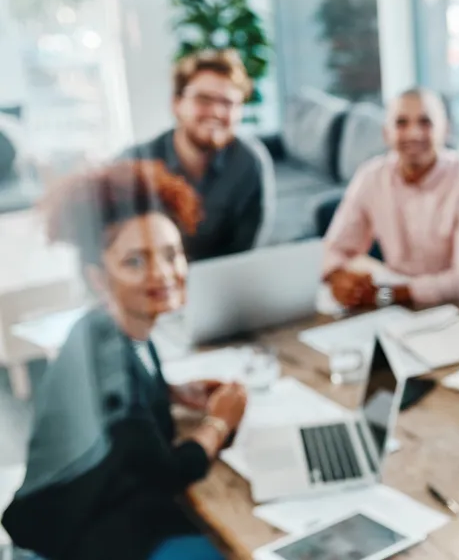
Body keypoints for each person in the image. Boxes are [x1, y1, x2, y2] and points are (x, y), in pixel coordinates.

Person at [2, 160, 247, 560]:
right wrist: (219, 422)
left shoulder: (107, 328)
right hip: (81, 536)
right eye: (136, 261)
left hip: (100, 507)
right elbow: (163, 473)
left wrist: (171, 392)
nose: (163, 274)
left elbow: (118, 411)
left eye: (171, 254)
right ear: (99, 277)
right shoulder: (109, 354)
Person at [321, 88, 459, 309]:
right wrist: (338, 277)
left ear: (445, 130)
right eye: (401, 123)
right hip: (394, 303)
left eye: (425, 122)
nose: (414, 134)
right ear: (386, 133)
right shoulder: (371, 176)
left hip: (455, 309)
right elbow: (334, 246)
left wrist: (385, 295)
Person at [123, 49, 273, 261]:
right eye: (204, 100)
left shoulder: (249, 162)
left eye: (228, 103)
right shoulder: (135, 164)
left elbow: (245, 252)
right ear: (176, 104)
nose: (216, 112)